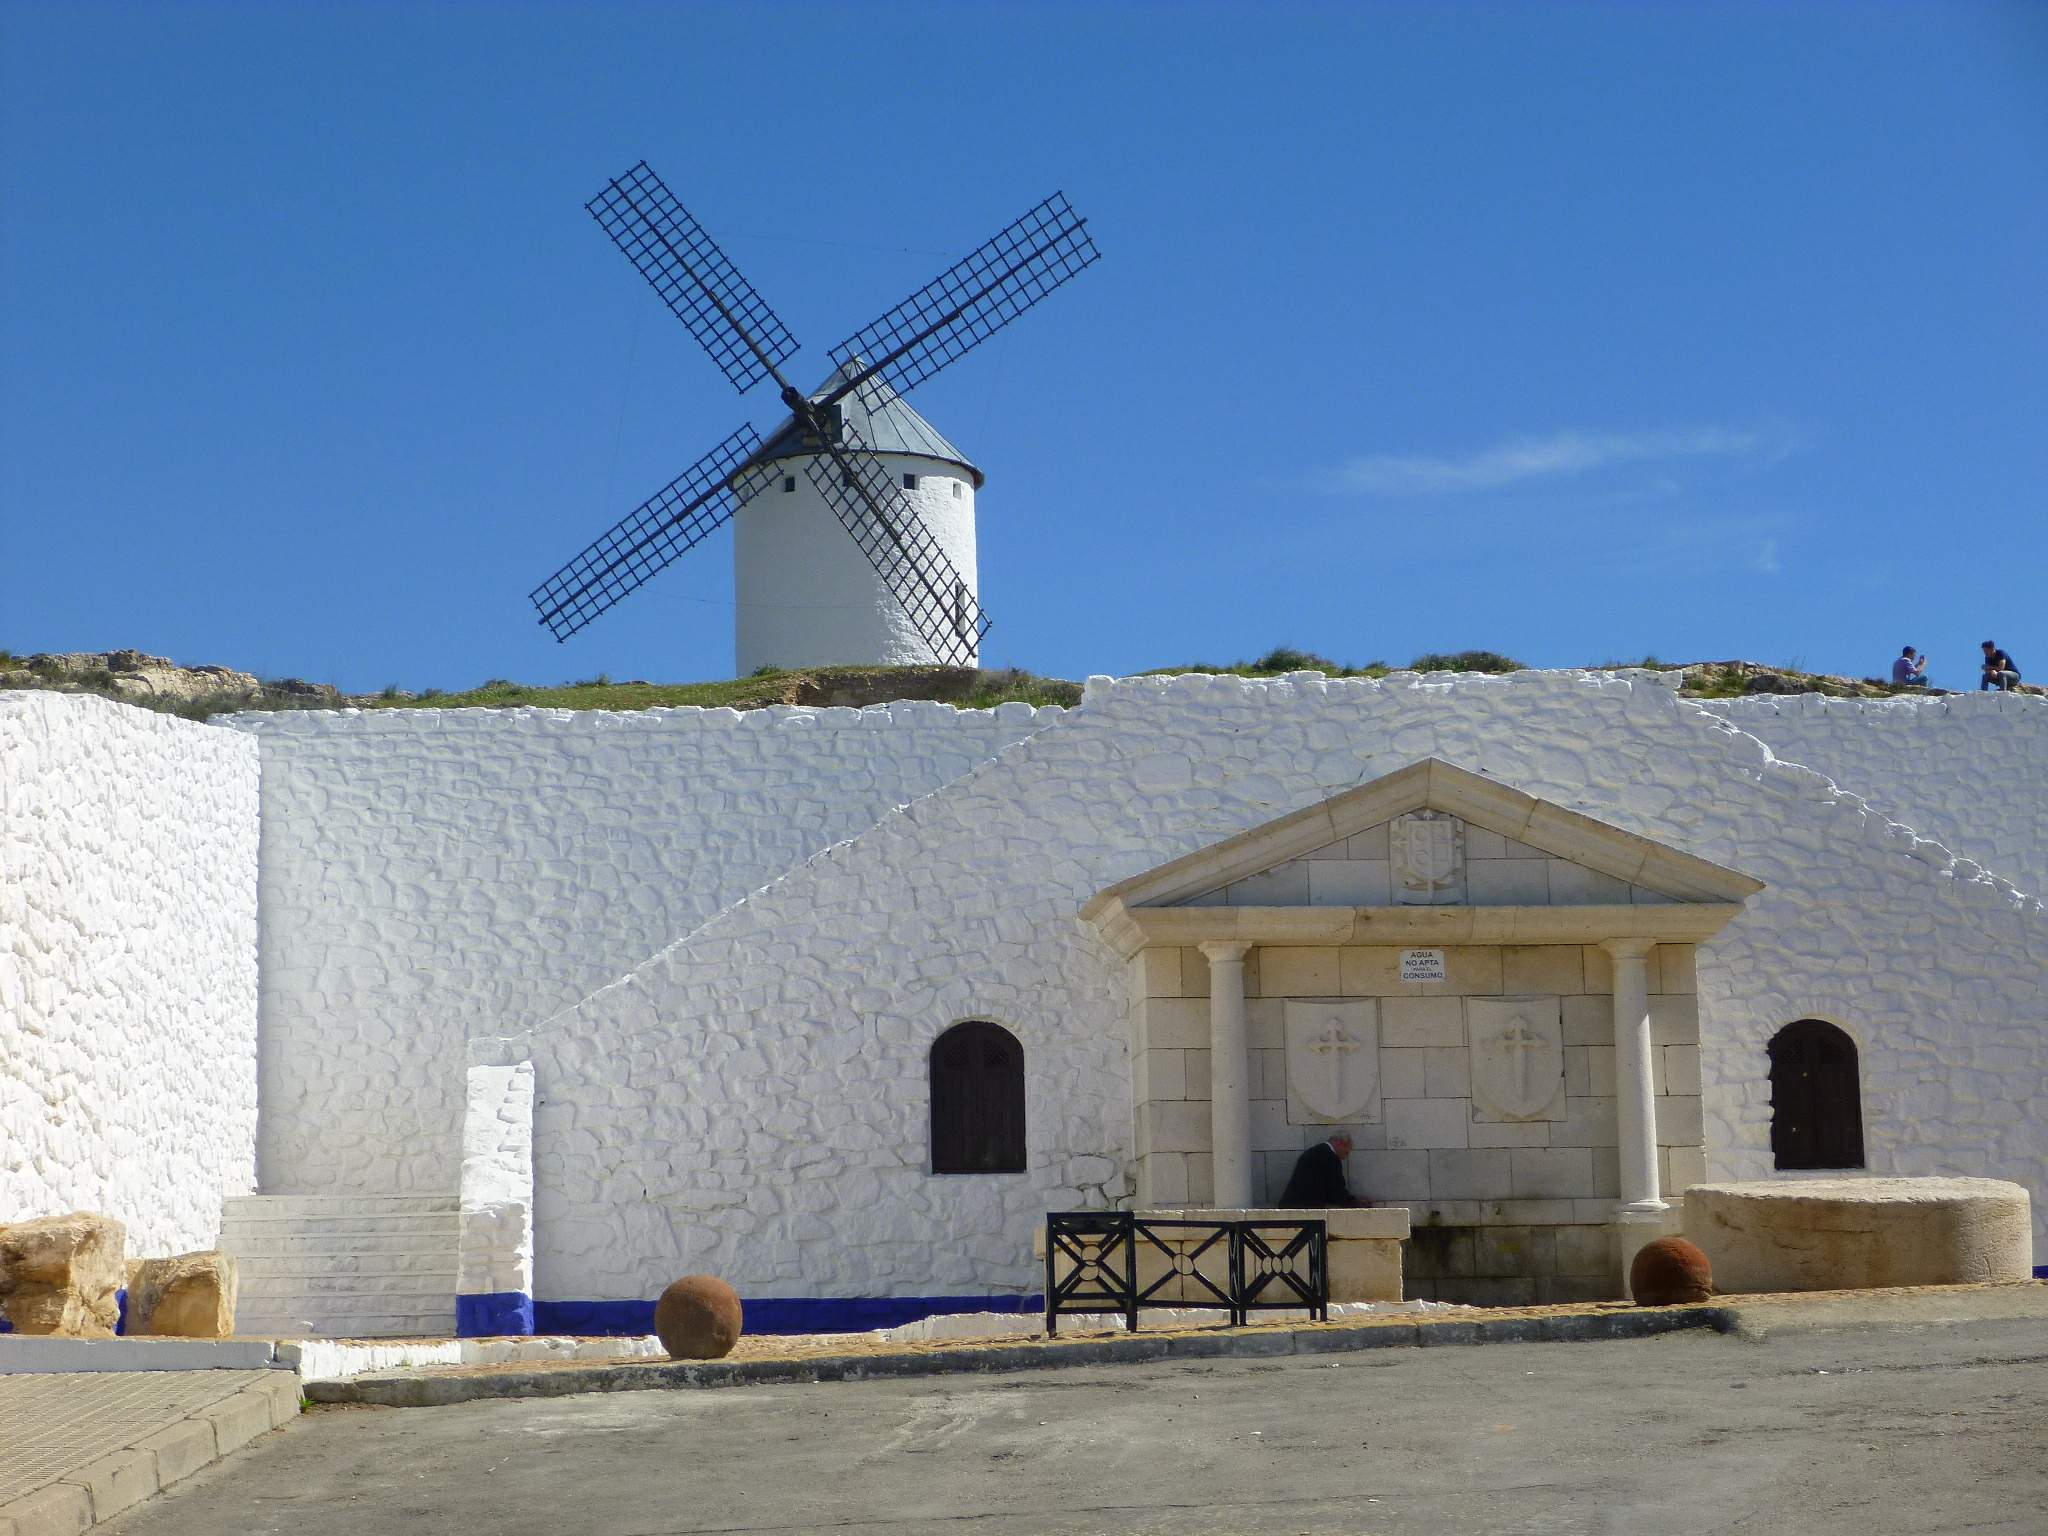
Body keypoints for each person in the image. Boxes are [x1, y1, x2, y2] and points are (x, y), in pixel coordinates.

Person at [1276, 1133, 1367, 1207]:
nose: (1344, 1157)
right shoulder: (1330, 1157)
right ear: (1339, 1144)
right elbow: (1336, 1188)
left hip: (1293, 1205)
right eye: (1346, 1152)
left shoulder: (1314, 1151)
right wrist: (1355, 1202)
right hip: (1306, 1209)